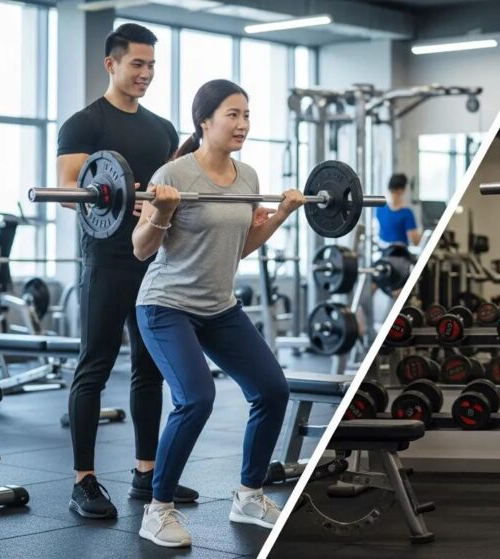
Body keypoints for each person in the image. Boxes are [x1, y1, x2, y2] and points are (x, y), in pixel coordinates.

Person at [132, 79, 298, 547]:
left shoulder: (248, 178)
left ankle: (249, 495)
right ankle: (158, 508)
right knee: (196, 399)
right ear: (204, 121)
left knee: (272, 390)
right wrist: (161, 212)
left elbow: (239, 249)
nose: (243, 124)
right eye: (233, 114)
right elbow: (141, 249)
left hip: (220, 307)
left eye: (246, 115)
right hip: (166, 305)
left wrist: (281, 214)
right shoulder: (174, 174)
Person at [56, 22, 198, 519]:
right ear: (111, 63)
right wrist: (124, 204)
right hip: (107, 261)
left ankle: (146, 472)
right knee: (93, 366)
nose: (146, 74)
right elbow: (74, 191)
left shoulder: (161, 129)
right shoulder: (83, 124)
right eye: (137, 63)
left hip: (155, 261)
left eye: (152, 65)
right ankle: (84, 481)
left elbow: (172, 190)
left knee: (149, 368)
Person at [375, 173, 421, 246]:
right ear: (402, 190)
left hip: (382, 251)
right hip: (400, 253)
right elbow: (415, 240)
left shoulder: (379, 209)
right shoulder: (406, 213)